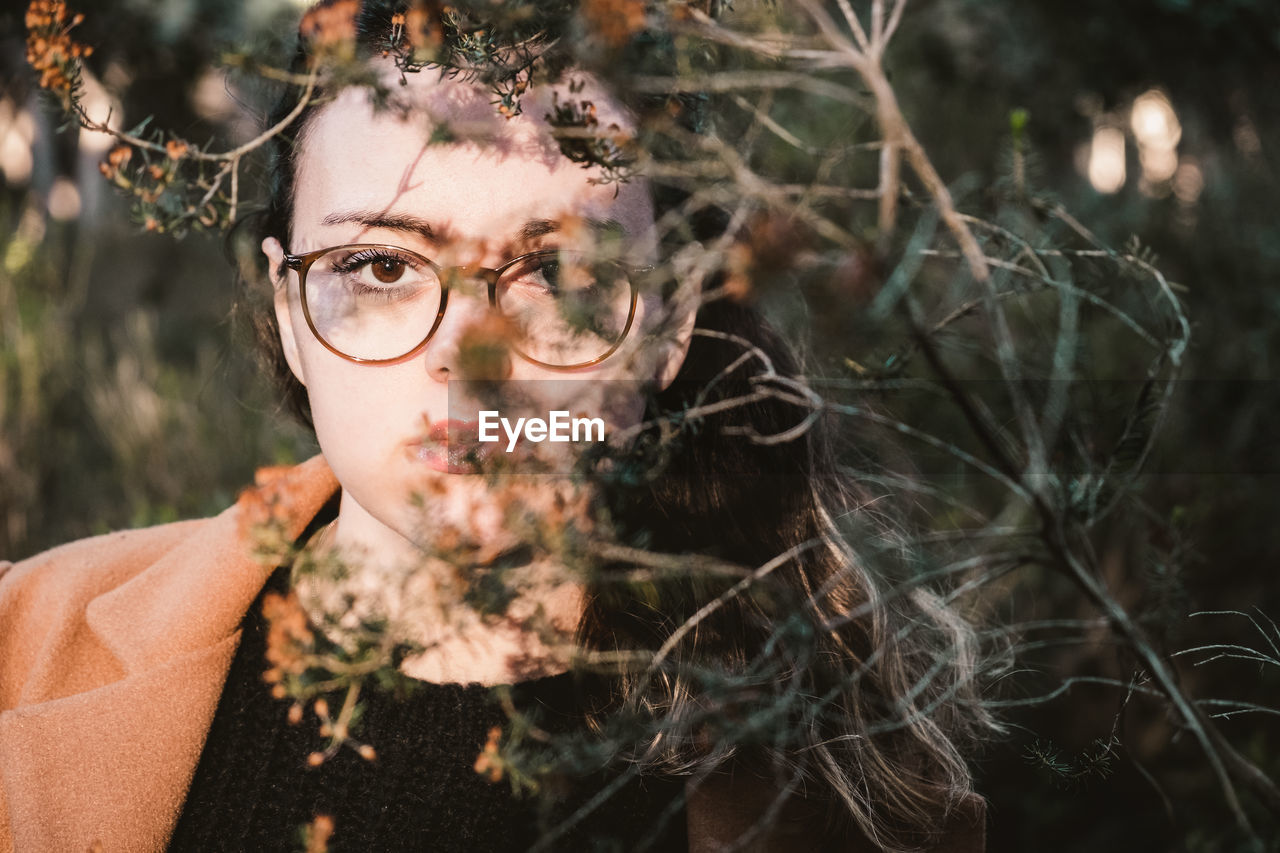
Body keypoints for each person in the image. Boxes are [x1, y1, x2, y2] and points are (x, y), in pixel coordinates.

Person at [0, 2, 992, 851]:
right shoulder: (20, 646)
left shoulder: (850, 800)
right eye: (380, 267)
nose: (472, 359)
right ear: (289, 314)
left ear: (673, 320)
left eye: (557, 273)